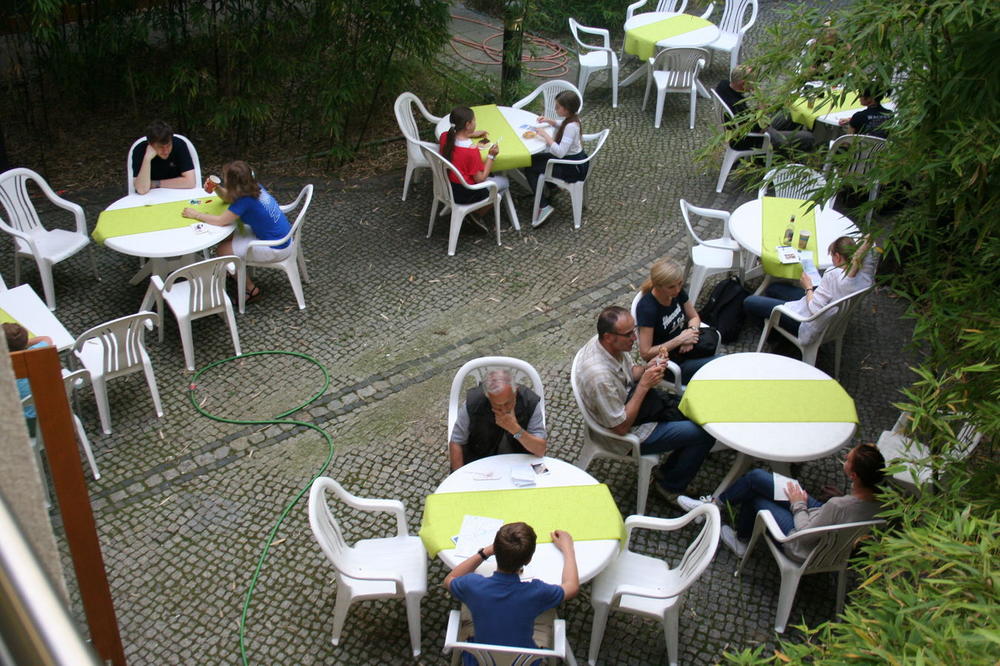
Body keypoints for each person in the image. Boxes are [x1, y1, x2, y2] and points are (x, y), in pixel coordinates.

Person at [575, 306, 716, 503]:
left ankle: (669, 470)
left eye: (634, 330)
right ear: (608, 337)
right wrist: (644, 385)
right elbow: (620, 428)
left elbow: (629, 373)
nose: (635, 338)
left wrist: (647, 368)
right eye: (628, 334)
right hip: (626, 434)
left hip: (637, 405)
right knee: (705, 433)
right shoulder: (599, 377)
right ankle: (669, 487)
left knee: (697, 411)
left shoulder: (609, 346)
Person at [679, 444, 885, 559]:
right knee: (756, 478)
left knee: (755, 496)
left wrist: (798, 503)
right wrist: (839, 496)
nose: (845, 458)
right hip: (823, 517)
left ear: (854, 476)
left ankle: (741, 540)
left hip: (802, 544)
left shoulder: (838, 506)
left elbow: (805, 534)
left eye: (848, 460)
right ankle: (714, 504)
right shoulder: (883, 502)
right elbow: (850, 511)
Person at [443, 522, 578, 662]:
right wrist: (568, 548)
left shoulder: (473, 585)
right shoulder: (537, 592)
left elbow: (449, 580)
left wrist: (484, 552)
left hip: (478, 660)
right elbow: (572, 586)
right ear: (528, 560)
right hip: (524, 661)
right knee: (549, 610)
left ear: (496, 550)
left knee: (467, 604)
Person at [181, 161, 292, 304]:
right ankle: (233, 271)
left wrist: (196, 214)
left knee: (222, 250)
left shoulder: (244, 201)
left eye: (225, 178)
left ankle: (251, 290)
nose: (224, 180)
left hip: (276, 248)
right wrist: (216, 188)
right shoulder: (253, 186)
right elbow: (229, 197)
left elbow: (221, 221)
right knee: (228, 237)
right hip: (282, 237)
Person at [743, 235, 877, 347]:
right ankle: (778, 324)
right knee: (774, 288)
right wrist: (861, 250)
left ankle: (776, 338)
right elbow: (869, 249)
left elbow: (814, 308)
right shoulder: (865, 277)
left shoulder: (832, 275)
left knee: (749, 301)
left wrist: (808, 287)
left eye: (832, 256)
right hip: (829, 315)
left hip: (807, 323)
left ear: (837, 257)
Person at [635, 258, 721, 385]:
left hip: (688, 350)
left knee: (723, 364)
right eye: (671, 287)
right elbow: (646, 353)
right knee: (720, 364)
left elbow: (694, 317)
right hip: (670, 364)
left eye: (680, 284)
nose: (677, 289)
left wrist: (691, 333)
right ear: (658, 286)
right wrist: (680, 340)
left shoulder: (676, 292)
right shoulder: (647, 309)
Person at [448, 369, 547, 471]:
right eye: (497, 405)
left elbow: (540, 450)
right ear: (488, 397)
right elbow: (457, 441)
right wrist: (458, 475)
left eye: (507, 403)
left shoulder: (529, 402)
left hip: (520, 464)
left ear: (515, 392)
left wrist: (516, 430)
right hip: (482, 463)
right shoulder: (473, 403)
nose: (503, 410)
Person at [522, 90, 588, 226]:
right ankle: (553, 187)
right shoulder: (574, 119)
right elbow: (561, 124)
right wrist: (550, 121)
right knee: (535, 159)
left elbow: (560, 153)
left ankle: (543, 206)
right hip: (575, 161)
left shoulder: (571, 127)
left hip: (571, 168)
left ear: (566, 109)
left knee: (530, 167)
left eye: (558, 107)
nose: (555, 109)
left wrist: (545, 135)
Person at [715, 65, 816, 152]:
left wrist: (758, 110)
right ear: (743, 84)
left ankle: (785, 149)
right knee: (809, 137)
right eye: (753, 82)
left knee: (792, 113)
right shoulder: (736, 106)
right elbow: (759, 127)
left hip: (754, 126)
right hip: (755, 138)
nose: (755, 85)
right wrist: (761, 108)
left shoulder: (723, 85)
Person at [439, 107, 509, 209]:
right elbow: (480, 179)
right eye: (474, 120)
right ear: (468, 125)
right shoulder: (471, 151)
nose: (475, 122)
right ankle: (478, 213)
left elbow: (457, 137)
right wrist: (491, 156)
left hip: (446, 186)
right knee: (505, 182)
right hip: (466, 194)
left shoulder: (445, 137)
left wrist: (470, 134)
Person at [4, 323, 54, 436]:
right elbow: (47, 339)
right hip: (52, 413)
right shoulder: (35, 352)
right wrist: (22, 342)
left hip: (24, 426)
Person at [131, 120, 196, 194]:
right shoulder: (139, 150)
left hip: (178, 193)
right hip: (150, 196)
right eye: (160, 147)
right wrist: (147, 159)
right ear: (150, 144)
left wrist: (155, 183)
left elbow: (190, 182)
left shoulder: (179, 145)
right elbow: (141, 189)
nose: (166, 151)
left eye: (168, 146)